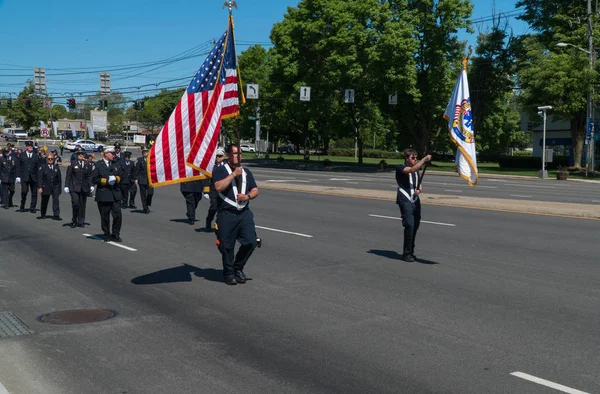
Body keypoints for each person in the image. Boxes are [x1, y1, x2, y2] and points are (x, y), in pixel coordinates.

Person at [213, 144, 260, 285]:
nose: (237, 156)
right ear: (228, 154)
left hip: (244, 213)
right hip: (227, 213)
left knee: (251, 241)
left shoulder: (246, 172)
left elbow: (255, 190)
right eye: (234, 153)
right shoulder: (220, 170)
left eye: (239, 153)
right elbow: (218, 187)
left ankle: (238, 267)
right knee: (227, 246)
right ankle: (228, 272)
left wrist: (248, 196)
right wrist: (233, 174)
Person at [395, 149, 431, 262]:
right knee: (409, 225)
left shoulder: (416, 171)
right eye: (412, 157)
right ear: (406, 158)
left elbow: (419, 185)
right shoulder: (400, 168)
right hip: (404, 199)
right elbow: (410, 170)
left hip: (415, 200)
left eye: (416, 157)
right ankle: (406, 253)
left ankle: (411, 251)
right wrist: (424, 159)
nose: (415, 159)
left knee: (415, 226)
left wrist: (419, 190)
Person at [91, 147, 123, 242]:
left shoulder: (116, 164)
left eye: (114, 154)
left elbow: (121, 175)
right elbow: (94, 179)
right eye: (112, 153)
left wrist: (116, 179)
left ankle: (115, 234)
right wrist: (106, 181)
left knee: (118, 215)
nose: (114, 155)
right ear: (106, 154)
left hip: (115, 194)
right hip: (104, 194)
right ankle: (106, 233)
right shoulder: (98, 165)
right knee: (105, 217)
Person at [65, 149, 93, 228]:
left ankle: (81, 221)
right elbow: (69, 176)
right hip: (74, 187)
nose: (81, 155)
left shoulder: (87, 164)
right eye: (79, 154)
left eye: (82, 154)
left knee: (82, 205)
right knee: (76, 203)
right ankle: (74, 220)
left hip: (83, 188)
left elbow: (88, 176)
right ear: (77, 156)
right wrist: (66, 186)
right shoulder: (73, 164)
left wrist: (91, 185)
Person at [15, 141, 40, 213]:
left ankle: (32, 207)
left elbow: (38, 167)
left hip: (34, 177)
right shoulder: (22, 155)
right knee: (24, 191)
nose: (30, 147)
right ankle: (22, 205)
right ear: (26, 147)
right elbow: (18, 166)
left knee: (34, 193)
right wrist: (18, 176)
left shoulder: (36, 156)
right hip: (24, 176)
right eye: (29, 146)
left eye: (31, 146)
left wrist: (39, 177)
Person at [37, 152, 62, 220]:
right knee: (44, 201)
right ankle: (43, 214)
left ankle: (56, 215)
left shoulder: (56, 167)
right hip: (46, 186)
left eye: (52, 159)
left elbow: (59, 179)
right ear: (46, 159)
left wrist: (59, 189)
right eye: (49, 159)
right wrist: (40, 187)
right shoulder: (42, 167)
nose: (50, 160)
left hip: (55, 186)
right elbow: (40, 178)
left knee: (56, 201)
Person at [206, 148, 226, 230]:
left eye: (220, 156)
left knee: (222, 208)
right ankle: (208, 220)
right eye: (216, 156)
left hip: (224, 191)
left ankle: (219, 224)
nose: (217, 158)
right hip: (213, 191)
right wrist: (206, 192)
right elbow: (206, 180)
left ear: (223, 156)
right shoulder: (211, 167)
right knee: (214, 207)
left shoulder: (226, 166)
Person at [135, 146, 154, 214]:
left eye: (146, 152)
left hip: (150, 179)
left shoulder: (151, 159)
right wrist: (136, 179)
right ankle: (145, 208)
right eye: (144, 152)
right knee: (143, 194)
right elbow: (137, 170)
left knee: (150, 193)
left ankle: (147, 203)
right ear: (142, 153)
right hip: (142, 178)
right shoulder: (140, 160)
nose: (145, 153)